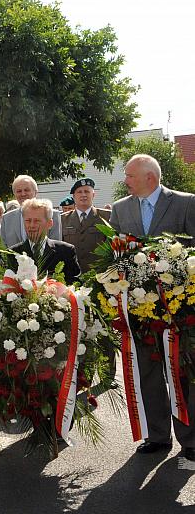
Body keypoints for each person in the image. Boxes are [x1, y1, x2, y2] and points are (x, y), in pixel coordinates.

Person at [109, 153, 195, 461]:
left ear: (151, 178)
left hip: (178, 307)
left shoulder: (186, 203)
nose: (126, 180)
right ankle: (157, 436)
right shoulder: (120, 209)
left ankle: (191, 438)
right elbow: (115, 257)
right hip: (139, 307)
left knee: (181, 371)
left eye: (130, 175)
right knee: (148, 370)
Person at [10, 199, 80, 284]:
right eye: (28, 221)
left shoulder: (66, 251)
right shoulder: (12, 254)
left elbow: (75, 284)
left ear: (50, 223)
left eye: (37, 221)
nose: (31, 225)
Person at [61, 178, 111, 270]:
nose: (83, 195)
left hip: (99, 274)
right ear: (74, 196)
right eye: (79, 192)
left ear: (93, 195)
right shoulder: (62, 219)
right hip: (72, 273)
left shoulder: (107, 216)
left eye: (87, 191)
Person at [0, 175, 62, 246]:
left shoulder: (53, 215)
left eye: (27, 190)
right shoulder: (6, 218)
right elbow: (4, 248)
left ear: (36, 192)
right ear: (14, 194)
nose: (23, 194)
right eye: (19, 191)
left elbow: (56, 246)